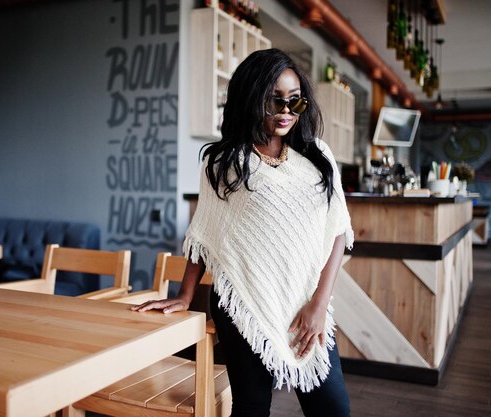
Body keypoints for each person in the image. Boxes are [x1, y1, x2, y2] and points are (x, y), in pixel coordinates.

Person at [132, 48, 354, 417]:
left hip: (305, 303)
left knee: (333, 409)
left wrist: (319, 303)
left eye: (295, 102)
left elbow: (337, 232)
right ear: (252, 98)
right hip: (243, 303)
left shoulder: (317, 157)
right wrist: (185, 295)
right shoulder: (223, 162)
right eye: (276, 100)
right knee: (251, 407)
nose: (286, 111)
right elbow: (204, 232)